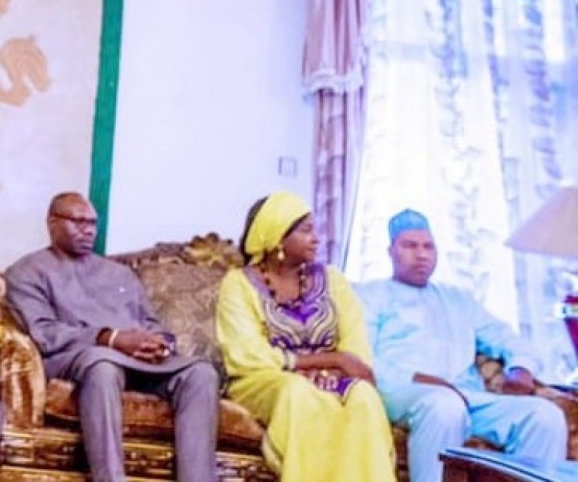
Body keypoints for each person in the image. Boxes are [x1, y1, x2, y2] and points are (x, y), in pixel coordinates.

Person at [4, 192, 220, 482]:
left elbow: (150, 323)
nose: (88, 230)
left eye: (92, 223)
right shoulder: (27, 271)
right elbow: (45, 333)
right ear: (52, 223)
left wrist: (159, 345)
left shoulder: (120, 274)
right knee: (103, 365)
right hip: (79, 358)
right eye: (78, 222)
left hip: (138, 360)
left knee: (201, 374)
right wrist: (111, 338)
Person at [358, 209, 566, 482]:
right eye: (410, 245)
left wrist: (520, 368)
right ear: (391, 251)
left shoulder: (458, 299)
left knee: (544, 417)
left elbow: (506, 337)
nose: (421, 254)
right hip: (403, 391)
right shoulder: (370, 295)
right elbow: (364, 357)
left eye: (428, 246)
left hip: (469, 397)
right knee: (445, 407)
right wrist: (428, 381)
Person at [215, 191, 395, 481]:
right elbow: (246, 355)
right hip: (264, 379)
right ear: (277, 236)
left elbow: (355, 352)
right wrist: (323, 361)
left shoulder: (333, 280)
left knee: (363, 396)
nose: (316, 239)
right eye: (306, 230)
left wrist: (330, 372)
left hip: (331, 378)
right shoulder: (238, 284)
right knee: (299, 393)